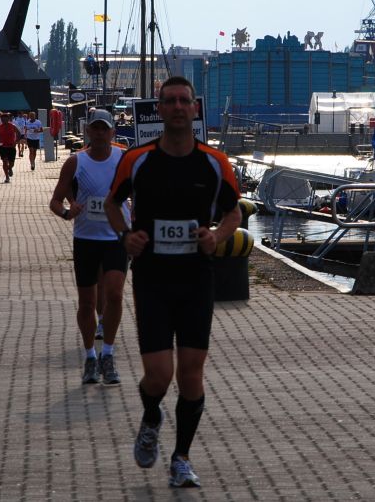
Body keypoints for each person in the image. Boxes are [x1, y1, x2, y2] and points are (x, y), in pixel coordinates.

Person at [104, 76, 241, 488]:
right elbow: (113, 205)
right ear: (159, 110)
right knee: (159, 375)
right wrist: (126, 236)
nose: (179, 107)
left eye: (185, 101)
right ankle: (150, 415)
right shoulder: (138, 159)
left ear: (195, 109)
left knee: (191, 375)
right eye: (171, 101)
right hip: (153, 279)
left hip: (197, 278)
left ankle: (181, 457)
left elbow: (234, 212)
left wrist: (216, 236)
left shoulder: (215, 163)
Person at [50, 109, 129, 386]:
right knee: (87, 302)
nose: (99, 133)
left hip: (116, 238)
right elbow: (55, 201)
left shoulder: (123, 160)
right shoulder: (75, 162)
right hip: (86, 239)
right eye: (94, 128)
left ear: (112, 133)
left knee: (115, 295)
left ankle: (107, 353)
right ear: (88, 132)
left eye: (104, 129)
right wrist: (67, 213)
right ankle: (90, 357)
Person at [0, 113, 21, 183]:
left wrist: (16, 142)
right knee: (4, 161)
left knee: (12, 163)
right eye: (2, 119)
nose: (4, 121)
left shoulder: (12, 126)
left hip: (11, 147)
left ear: (8, 119)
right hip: (2, 147)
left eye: (5, 119)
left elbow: (19, 133)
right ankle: (7, 177)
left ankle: (10, 168)